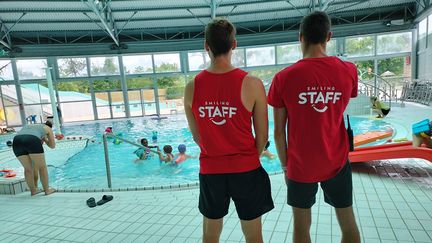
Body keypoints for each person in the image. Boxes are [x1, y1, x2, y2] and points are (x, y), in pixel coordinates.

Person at [267, 11, 360, 243]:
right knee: (348, 224)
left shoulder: (283, 78)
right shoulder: (348, 71)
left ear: (300, 37)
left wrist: (285, 167)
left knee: (301, 228)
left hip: (300, 165)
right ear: (328, 36)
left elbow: (278, 132)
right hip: (337, 161)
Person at [184, 18, 273, 243]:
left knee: (210, 235)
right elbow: (262, 136)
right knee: (254, 236)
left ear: (206, 46)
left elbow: (197, 136)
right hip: (247, 170)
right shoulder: (252, 84)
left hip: (211, 171)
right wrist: (247, 158)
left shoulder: (191, 87)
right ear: (234, 44)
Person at [12, 121, 56, 196]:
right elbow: (52, 146)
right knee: (42, 167)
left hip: (16, 141)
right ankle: (47, 190)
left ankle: (33, 191)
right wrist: (45, 139)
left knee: (28, 169)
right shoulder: (48, 128)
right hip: (31, 140)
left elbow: (26, 135)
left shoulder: (30, 126)